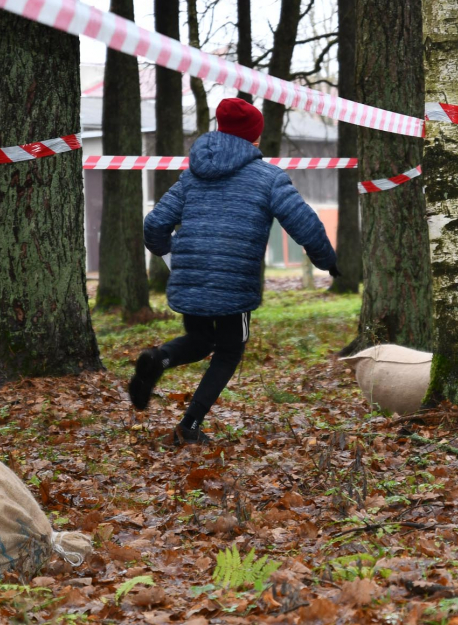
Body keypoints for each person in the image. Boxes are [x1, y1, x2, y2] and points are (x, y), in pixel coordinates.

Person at [129, 97, 339, 445]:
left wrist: (170, 256)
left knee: (199, 340)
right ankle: (189, 426)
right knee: (228, 351)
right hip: (234, 285)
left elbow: (155, 224)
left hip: (191, 277)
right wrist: (326, 261)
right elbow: (305, 224)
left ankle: (158, 359)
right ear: (254, 139)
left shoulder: (191, 176)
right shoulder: (269, 178)